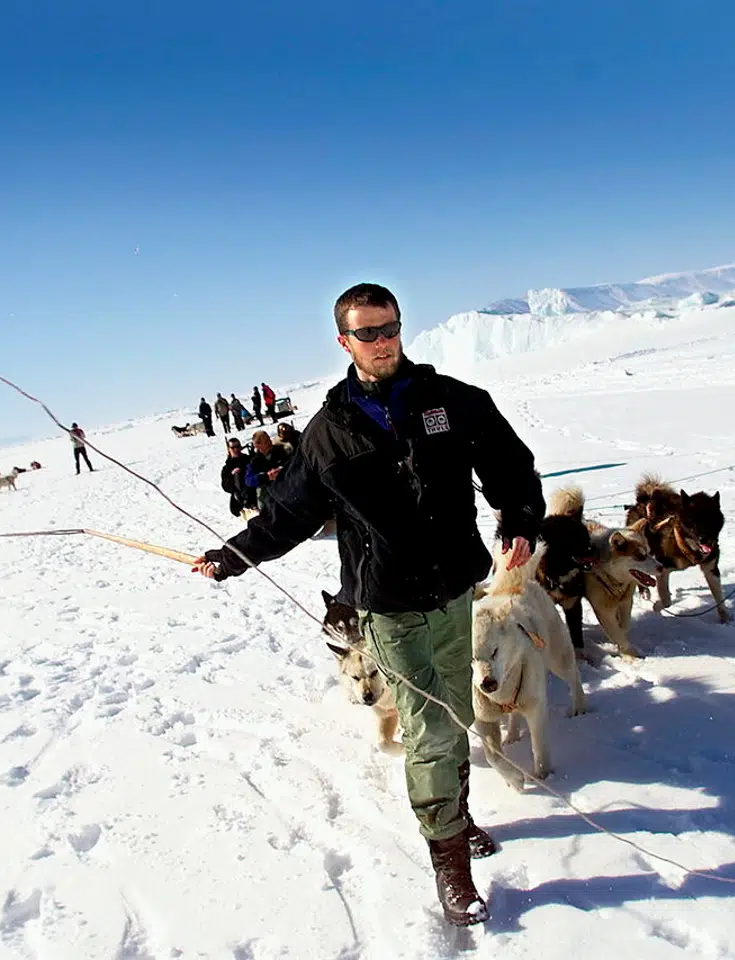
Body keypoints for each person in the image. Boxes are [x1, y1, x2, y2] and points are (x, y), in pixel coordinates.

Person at [193, 282, 542, 926]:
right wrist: (234, 555)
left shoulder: (452, 401)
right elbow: (288, 512)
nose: (382, 343)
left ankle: (455, 817)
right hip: (386, 601)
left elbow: (510, 464)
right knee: (430, 724)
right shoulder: (329, 434)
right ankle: (449, 864)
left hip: (455, 587)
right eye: (367, 334)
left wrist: (520, 516)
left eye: (390, 329)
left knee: (459, 708)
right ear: (343, 341)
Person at [242, 429, 291, 508]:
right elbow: (248, 480)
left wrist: (281, 468)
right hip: (269, 491)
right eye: (266, 442)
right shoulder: (255, 461)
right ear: (258, 446)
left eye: (269, 439)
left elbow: (290, 461)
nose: (270, 443)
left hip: (285, 484)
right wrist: (265, 477)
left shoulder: (280, 451)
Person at [220, 437, 258, 517]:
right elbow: (226, 487)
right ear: (229, 449)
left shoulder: (248, 459)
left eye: (238, 446)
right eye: (233, 447)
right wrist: (232, 475)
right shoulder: (227, 468)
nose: (236, 449)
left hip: (254, 490)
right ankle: (247, 506)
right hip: (240, 497)